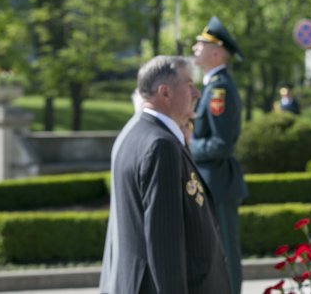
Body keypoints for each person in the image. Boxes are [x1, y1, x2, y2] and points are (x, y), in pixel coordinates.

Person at [99, 56, 229, 294]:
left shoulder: (133, 132)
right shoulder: (161, 145)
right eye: (189, 85)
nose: (197, 93)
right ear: (165, 92)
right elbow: (164, 244)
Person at [190, 16, 247, 294]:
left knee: (225, 253)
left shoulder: (220, 89)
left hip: (218, 183)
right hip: (210, 181)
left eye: (200, 45)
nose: (193, 48)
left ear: (215, 52)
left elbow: (221, 144)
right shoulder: (213, 85)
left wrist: (188, 146)